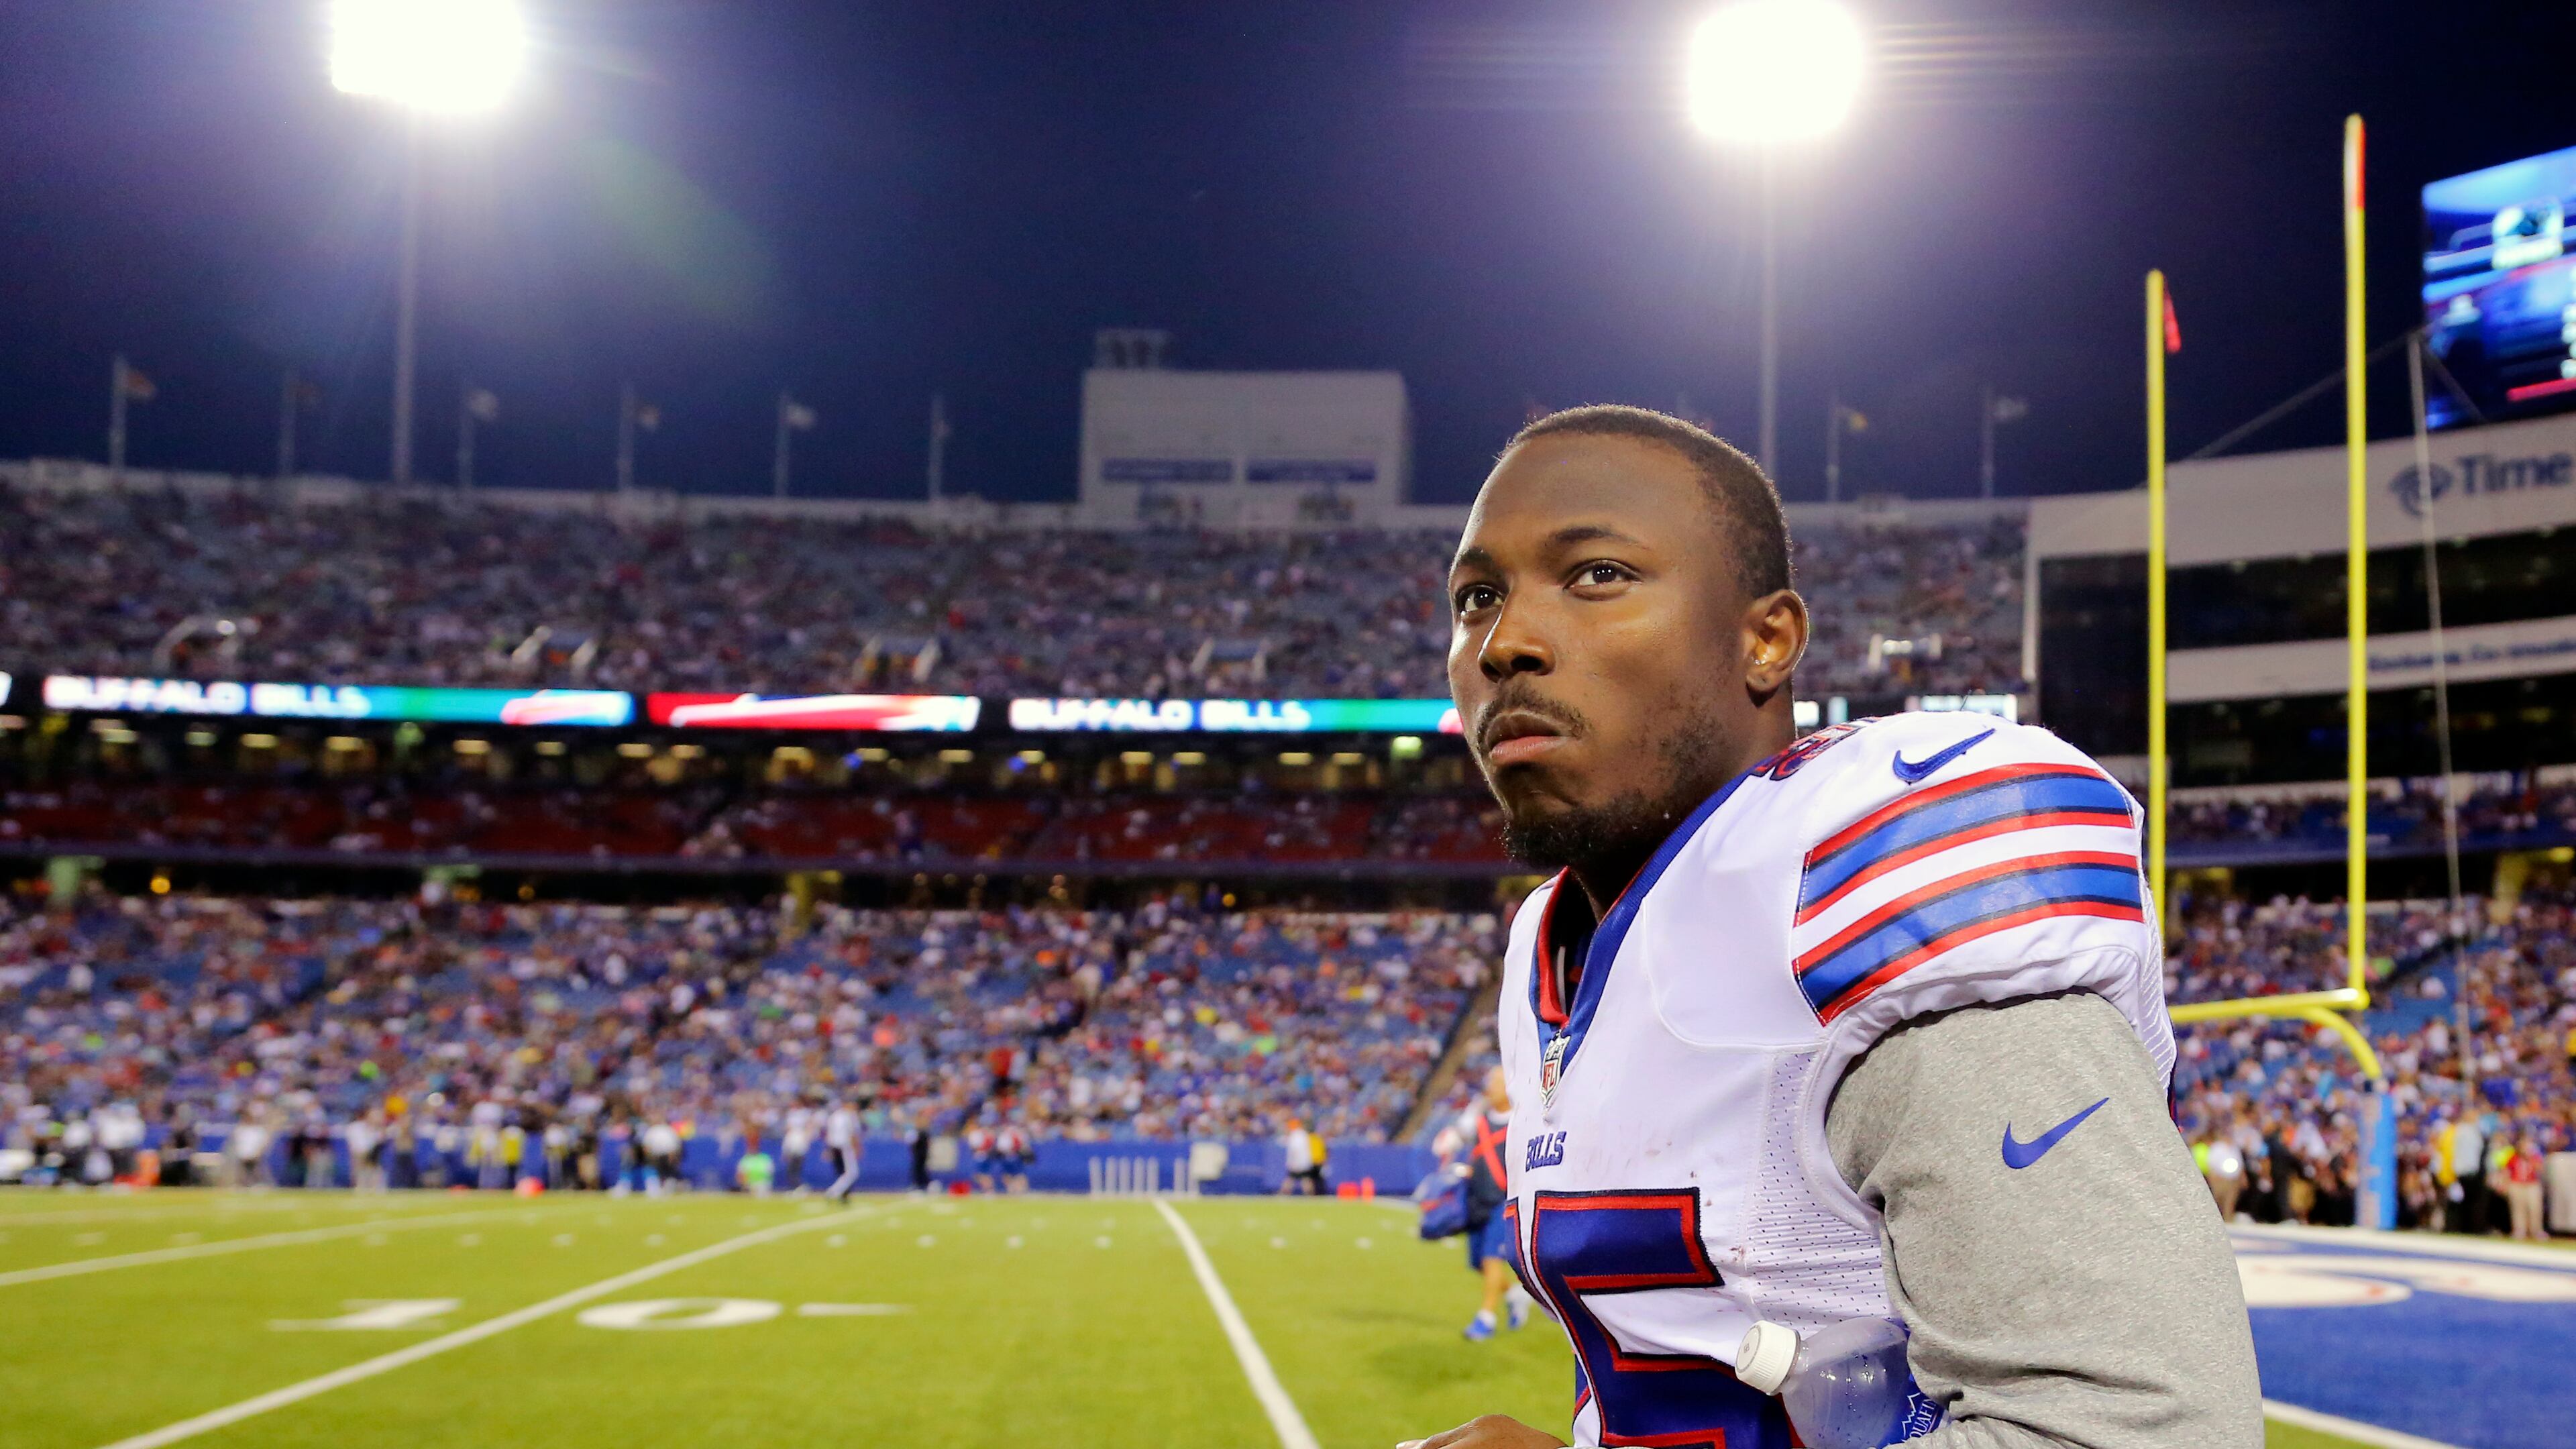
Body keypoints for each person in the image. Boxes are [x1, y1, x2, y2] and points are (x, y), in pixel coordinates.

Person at [1401, 407, 2259, 1449]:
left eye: (1597, 576)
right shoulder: (1557, 945)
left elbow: (2135, 1434)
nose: (1505, 644)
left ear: (1767, 640)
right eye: (1476, 598)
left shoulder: (1867, 892)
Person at [1456, 1067, 1532, 1342]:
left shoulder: (1521, 1120)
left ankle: (1486, 1318)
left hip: (1505, 1201)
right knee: (1478, 1262)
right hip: (1477, 1199)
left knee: (1491, 1258)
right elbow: (1456, 1137)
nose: (1492, 1088)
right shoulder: (1478, 1120)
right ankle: (1514, 1295)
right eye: (1490, 1083)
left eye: (1498, 1083)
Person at [823, 1097, 865, 1201]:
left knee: (842, 1172)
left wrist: (828, 1149)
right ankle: (834, 1192)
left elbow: (829, 1134)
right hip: (845, 1147)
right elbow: (853, 1134)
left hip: (835, 1146)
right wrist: (857, 1148)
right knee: (852, 1173)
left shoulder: (834, 1116)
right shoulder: (850, 1116)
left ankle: (843, 1195)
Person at [1281, 1117, 1326, 1195]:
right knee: (1305, 1179)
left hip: (1298, 1162)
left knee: (1292, 1179)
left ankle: (1284, 1194)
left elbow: (1295, 1150)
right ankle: (1310, 1195)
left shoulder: (1296, 1135)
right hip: (1305, 1161)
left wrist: (1292, 1162)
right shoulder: (1303, 1134)